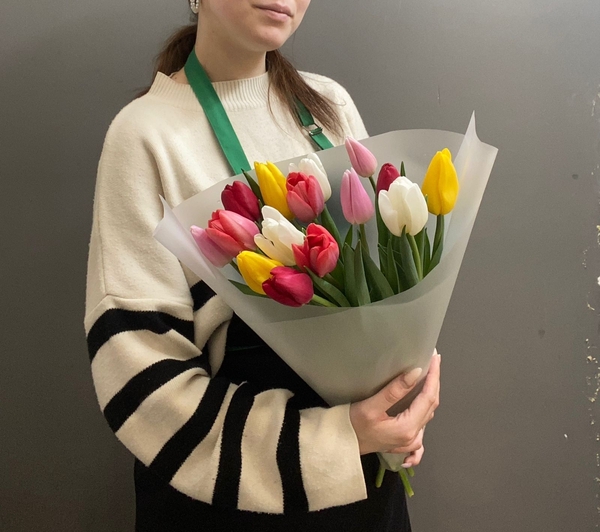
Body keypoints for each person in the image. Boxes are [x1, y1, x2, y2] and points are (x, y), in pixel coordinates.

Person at [84, 1, 441, 530]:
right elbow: (143, 383)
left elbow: (381, 288)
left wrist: (407, 397)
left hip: (368, 482)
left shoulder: (330, 106)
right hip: (233, 495)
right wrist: (336, 440)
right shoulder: (145, 135)